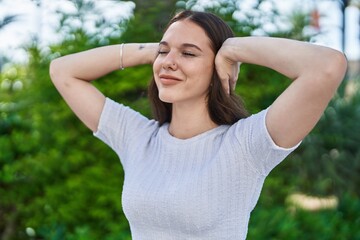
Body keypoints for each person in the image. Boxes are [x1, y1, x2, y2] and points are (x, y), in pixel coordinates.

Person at [49, 10, 347, 240]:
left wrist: (233, 49)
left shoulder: (246, 145)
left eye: (189, 53)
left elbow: (327, 66)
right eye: (164, 52)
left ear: (219, 67)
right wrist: (154, 51)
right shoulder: (137, 137)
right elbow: (62, 70)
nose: (168, 62)